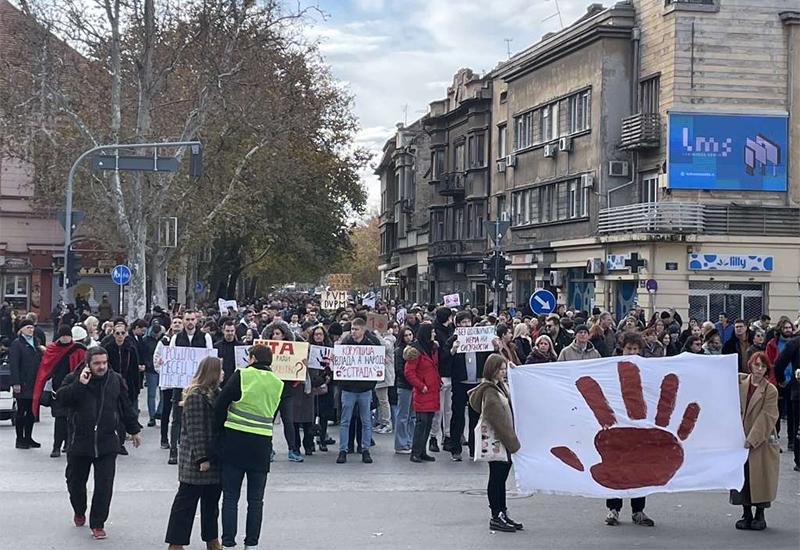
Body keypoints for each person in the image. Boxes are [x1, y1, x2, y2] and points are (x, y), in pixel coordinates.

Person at [57, 346, 142, 540]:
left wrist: (134, 429)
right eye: (97, 363)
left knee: (104, 485)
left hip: (107, 441)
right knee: (75, 482)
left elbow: (125, 405)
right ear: (88, 363)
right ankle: (79, 509)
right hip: (79, 442)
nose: (101, 367)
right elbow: (61, 400)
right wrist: (80, 384)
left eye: (104, 363)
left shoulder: (115, 380)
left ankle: (98, 523)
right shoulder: (74, 378)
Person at [215, 344, 283, 550]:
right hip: (261, 446)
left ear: (252, 358)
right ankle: (251, 544)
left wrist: (220, 433)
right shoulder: (278, 383)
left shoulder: (241, 375)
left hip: (235, 443)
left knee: (230, 498)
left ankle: (228, 543)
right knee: (255, 501)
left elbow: (220, 404)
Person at [165, 356, 224, 550]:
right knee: (185, 503)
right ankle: (176, 542)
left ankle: (211, 539)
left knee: (211, 504)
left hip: (214, 457)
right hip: (196, 459)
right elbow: (195, 429)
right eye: (220, 370)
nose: (223, 373)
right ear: (212, 373)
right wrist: (202, 458)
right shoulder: (196, 396)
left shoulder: (216, 393)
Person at [467, 354, 523, 533]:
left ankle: (502, 513)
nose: (504, 372)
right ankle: (496, 515)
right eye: (501, 369)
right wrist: (513, 443)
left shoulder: (498, 386)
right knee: (497, 479)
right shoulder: (491, 392)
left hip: (502, 441)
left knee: (500, 479)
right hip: (499, 441)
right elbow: (498, 420)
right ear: (493, 370)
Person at [605, 331, 654, 527]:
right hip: (617, 426)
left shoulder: (649, 370)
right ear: (622, 349)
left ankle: (638, 510)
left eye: (635, 349)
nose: (631, 352)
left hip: (640, 427)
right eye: (628, 349)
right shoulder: (611, 368)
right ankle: (613, 509)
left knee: (639, 469)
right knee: (615, 468)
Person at [731, 352, 780, 531]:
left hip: (761, 440)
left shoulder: (770, 390)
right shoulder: (740, 382)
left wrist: (752, 439)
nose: (759, 369)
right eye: (756, 365)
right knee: (742, 478)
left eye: (763, 366)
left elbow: (767, 417)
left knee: (760, 477)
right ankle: (746, 513)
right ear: (750, 365)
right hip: (739, 437)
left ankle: (760, 514)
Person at [165, 310, 215, 465]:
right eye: (187, 319)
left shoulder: (205, 337)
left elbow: (209, 358)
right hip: (180, 384)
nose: (190, 322)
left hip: (199, 385)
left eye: (192, 319)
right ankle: (173, 450)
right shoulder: (176, 337)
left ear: (197, 320)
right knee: (177, 418)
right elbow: (171, 358)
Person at [31, 325, 86, 457]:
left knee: (72, 418)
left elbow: (83, 366)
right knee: (60, 418)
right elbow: (45, 368)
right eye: (63, 335)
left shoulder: (79, 349)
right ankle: (56, 446)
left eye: (67, 335)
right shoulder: (52, 349)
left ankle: (68, 444)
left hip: (74, 388)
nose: (65, 338)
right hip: (57, 390)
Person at [335, 317, 381, 464]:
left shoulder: (371, 345)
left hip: (365, 390)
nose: (353, 332)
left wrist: (370, 384)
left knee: (366, 421)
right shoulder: (345, 344)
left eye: (356, 329)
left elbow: (376, 366)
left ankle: (365, 450)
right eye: (352, 329)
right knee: (345, 421)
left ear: (363, 330)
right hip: (348, 389)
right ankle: (343, 450)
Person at [403, 323, 441, 463]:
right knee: (421, 422)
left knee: (428, 422)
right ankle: (415, 452)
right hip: (423, 391)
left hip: (432, 390)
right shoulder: (416, 351)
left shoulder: (431, 348)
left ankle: (422, 451)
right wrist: (420, 385)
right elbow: (409, 372)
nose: (434, 334)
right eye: (432, 332)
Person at [9, 318, 43, 449]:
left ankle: (28, 437)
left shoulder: (36, 342)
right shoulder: (17, 344)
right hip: (23, 383)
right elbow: (14, 365)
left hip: (35, 383)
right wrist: (16, 382)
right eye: (28, 327)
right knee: (21, 411)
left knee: (31, 412)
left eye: (32, 327)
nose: (31, 329)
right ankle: (20, 439)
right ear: (21, 330)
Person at [431, 306, 454, 454]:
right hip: (441, 374)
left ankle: (447, 436)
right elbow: (440, 354)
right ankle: (433, 437)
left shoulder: (452, 330)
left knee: (448, 409)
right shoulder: (436, 333)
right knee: (438, 409)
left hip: (451, 373)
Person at [394, 327, 416, 454]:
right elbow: (399, 370)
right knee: (403, 415)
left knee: (412, 416)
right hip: (404, 386)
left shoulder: (415, 349)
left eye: (410, 334)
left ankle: (412, 441)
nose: (409, 337)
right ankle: (401, 444)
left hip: (414, 386)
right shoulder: (399, 351)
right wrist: (411, 379)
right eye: (406, 335)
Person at [215, 320, 243, 387]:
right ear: (223, 331)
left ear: (235, 331)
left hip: (237, 382)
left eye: (232, 331)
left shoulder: (241, 347)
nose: (230, 333)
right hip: (221, 382)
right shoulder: (216, 347)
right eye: (227, 331)